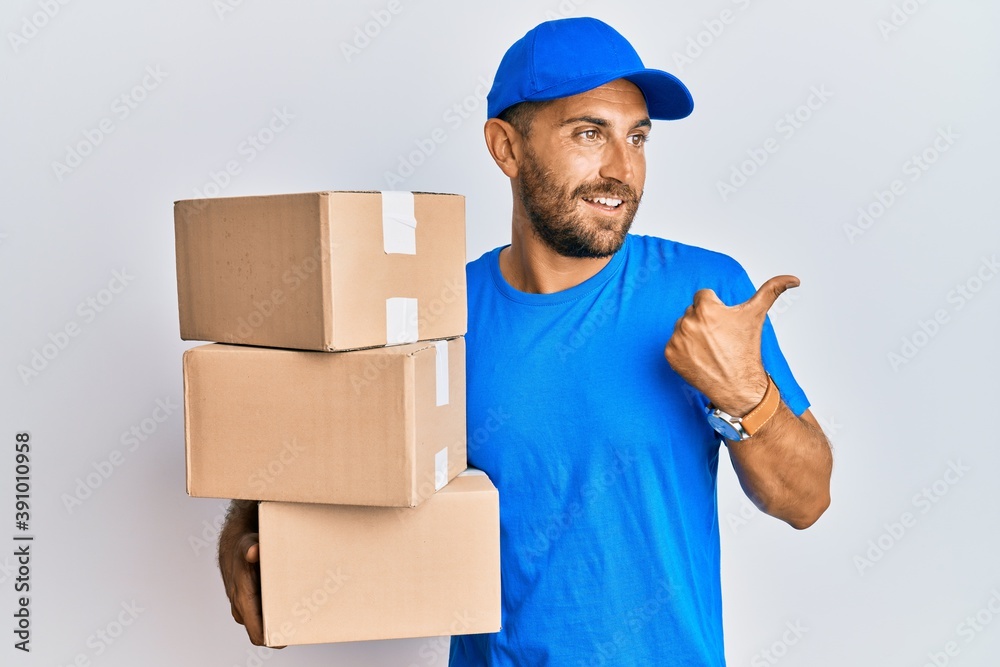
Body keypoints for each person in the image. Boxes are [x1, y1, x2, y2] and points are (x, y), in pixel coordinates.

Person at [218, 17, 833, 666]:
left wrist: (746, 393)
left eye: (638, 137)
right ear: (505, 148)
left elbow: (806, 499)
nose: (622, 169)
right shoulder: (440, 315)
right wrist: (248, 531)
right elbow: (331, 461)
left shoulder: (704, 292)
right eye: (589, 133)